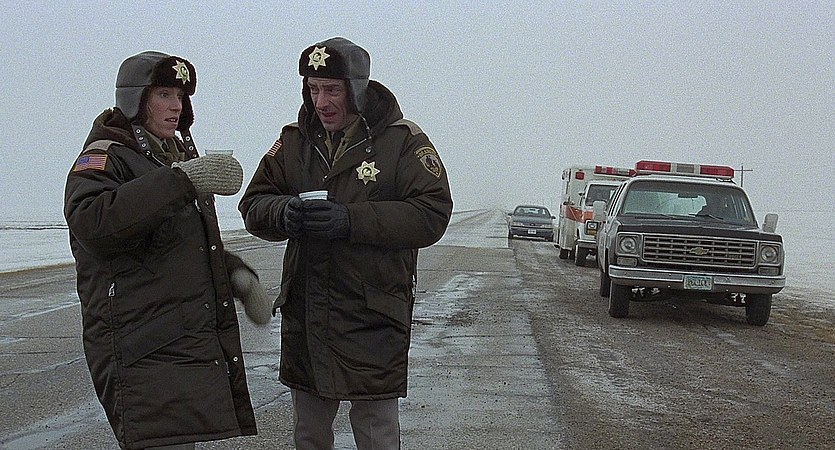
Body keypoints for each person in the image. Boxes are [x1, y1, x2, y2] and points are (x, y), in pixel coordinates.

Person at [238, 37, 453, 449]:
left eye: (332, 90)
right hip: (308, 313)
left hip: (372, 315)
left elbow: (432, 212)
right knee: (309, 434)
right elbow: (253, 204)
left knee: (376, 434)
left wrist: (351, 220)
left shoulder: (403, 141)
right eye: (313, 89)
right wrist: (284, 213)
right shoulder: (294, 142)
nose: (321, 102)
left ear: (356, 88)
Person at [64, 51, 272, 450]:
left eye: (180, 96)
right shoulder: (105, 156)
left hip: (179, 343)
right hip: (140, 345)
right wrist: (181, 181)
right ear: (135, 99)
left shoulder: (169, 156)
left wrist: (235, 274)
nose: (176, 106)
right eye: (164, 94)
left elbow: (176, 245)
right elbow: (93, 224)